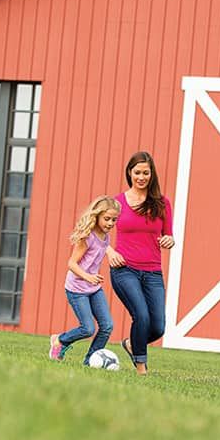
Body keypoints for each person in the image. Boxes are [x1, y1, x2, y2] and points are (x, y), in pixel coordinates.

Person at [107, 151, 175, 375]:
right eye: (137, 172)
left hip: (153, 272)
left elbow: (169, 234)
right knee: (142, 316)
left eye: (146, 173)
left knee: (157, 326)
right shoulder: (116, 203)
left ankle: (131, 344)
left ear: (152, 174)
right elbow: (96, 232)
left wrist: (169, 240)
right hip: (124, 269)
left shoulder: (162, 203)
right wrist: (109, 251)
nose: (141, 177)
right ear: (130, 173)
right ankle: (141, 368)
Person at [49, 195, 120, 365]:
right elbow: (71, 263)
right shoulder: (87, 237)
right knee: (88, 328)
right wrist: (88, 276)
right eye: (107, 219)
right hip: (76, 289)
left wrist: (111, 253)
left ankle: (90, 362)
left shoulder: (106, 237)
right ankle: (60, 340)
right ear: (97, 217)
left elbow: (102, 248)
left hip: (93, 288)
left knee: (107, 326)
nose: (110, 223)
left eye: (114, 220)